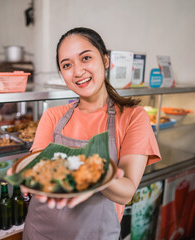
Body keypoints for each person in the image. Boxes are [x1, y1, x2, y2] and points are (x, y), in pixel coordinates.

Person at [21, 27, 161, 239]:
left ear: (105, 60)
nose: (77, 72)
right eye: (66, 65)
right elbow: (35, 167)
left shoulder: (133, 117)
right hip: (40, 231)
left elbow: (126, 191)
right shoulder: (53, 116)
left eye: (85, 58)